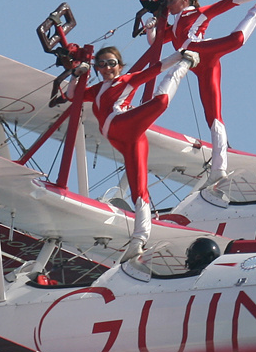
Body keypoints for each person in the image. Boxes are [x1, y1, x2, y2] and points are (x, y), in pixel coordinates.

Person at [131, 0, 256, 187]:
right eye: (168, 1)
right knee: (213, 117)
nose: (169, 4)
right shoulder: (174, 25)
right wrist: (150, 28)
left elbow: (226, 3)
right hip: (198, 66)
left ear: (185, 0)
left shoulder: (197, 13)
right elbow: (155, 42)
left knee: (236, 40)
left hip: (202, 51)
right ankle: (219, 169)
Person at [77, 45, 198, 261]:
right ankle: (139, 240)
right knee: (138, 188)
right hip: (121, 139)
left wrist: (180, 56)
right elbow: (70, 96)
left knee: (160, 102)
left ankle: (184, 66)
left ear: (120, 66)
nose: (106, 68)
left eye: (111, 63)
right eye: (101, 65)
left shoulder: (126, 81)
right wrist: (78, 71)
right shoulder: (95, 91)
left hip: (123, 125)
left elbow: (154, 69)